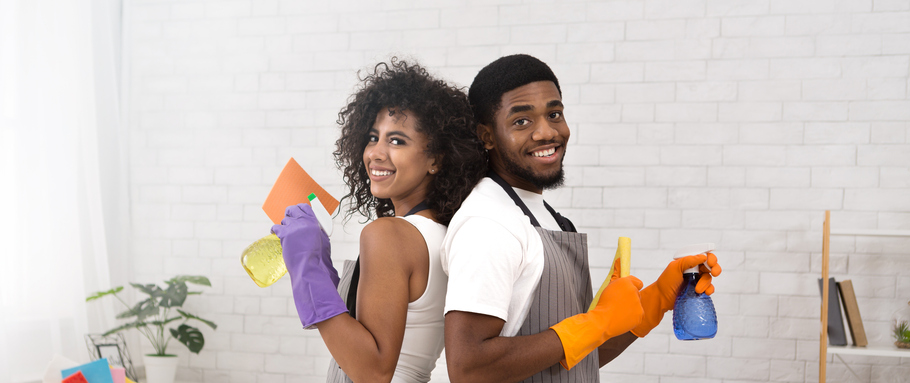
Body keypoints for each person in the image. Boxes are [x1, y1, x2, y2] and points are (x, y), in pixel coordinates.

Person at [440, 54, 723, 382]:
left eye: (554, 114)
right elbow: (469, 368)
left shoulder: (549, 219)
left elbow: (575, 357)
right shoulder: (489, 224)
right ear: (487, 136)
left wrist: (657, 299)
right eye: (522, 121)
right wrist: (599, 321)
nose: (546, 132)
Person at [272, 59, 487, 383]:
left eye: (397, 141)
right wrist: (322, 268)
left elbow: (373, 372)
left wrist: (307, 267)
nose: (375, 153)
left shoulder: (389, 234)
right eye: (373, 137)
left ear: (436, 159)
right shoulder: (441, 234)